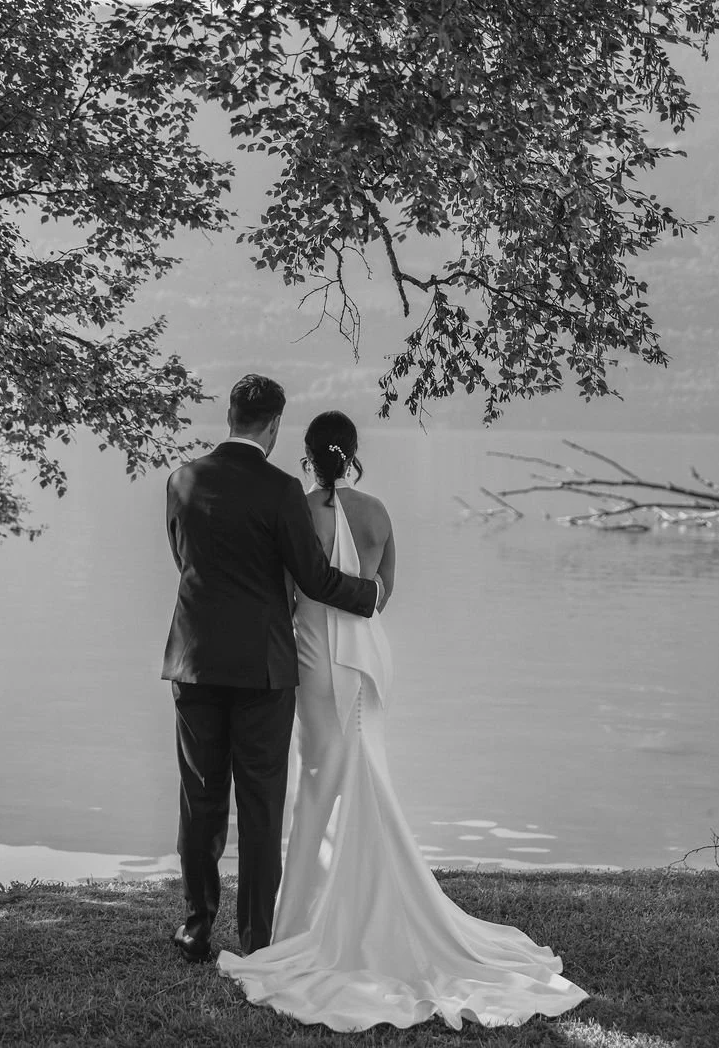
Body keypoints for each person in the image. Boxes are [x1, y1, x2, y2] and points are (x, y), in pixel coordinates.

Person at [217, 410, 589, 1031]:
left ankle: (303, 926)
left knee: (317, 787)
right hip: (369, 659)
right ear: (353, 452)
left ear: (307, 456)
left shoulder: (295, 511)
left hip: (314, 662)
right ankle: (371, 906)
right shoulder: (379, 513)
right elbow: (384, 589)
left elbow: (289, 593)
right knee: (367, 775)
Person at [161, 376, 384, 963]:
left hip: (194, 661)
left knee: (201, 799)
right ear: (275, 425)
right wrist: (369, 594)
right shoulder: (282, 489)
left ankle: (195, 928)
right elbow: (312, 577)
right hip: (263, 670)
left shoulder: (181, 480)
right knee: (260, 806)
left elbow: (183, 558)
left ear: (231, 415)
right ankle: (256, 938)